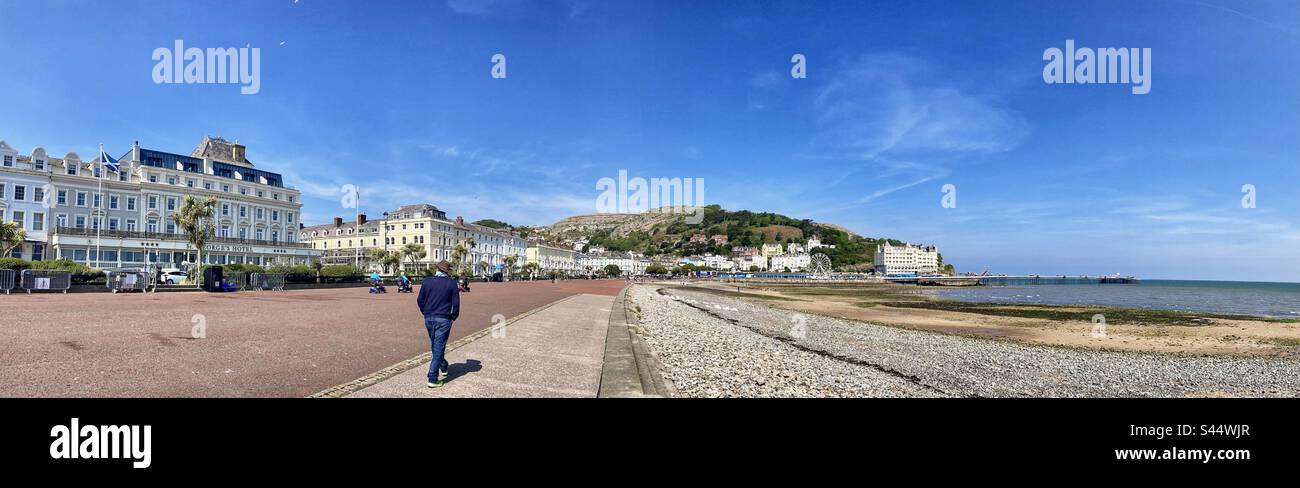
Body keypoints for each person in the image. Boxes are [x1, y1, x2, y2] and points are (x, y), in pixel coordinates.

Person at [416, 260, 460, 388]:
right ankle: (433, 378)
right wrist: (454, 316)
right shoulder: (451, 283)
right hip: (444, 318)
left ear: (437, 268)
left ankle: (444, 366)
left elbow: (420, 300)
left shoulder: (427, 281)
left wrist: (425, 311)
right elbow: (456, 303)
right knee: (438, 347)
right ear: (447, 270)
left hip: (429, 318)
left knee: (435, 345)